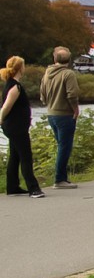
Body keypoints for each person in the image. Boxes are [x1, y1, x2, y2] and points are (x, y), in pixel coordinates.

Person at [1, 56, 44, 198]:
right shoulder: (15, 86)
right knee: (26, 156)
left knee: (15, 156)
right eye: (24, 65)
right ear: (20, 68)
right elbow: (7, 106)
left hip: (15, 126)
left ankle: (12, 187)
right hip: (16, 127)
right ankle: (33, 188)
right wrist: (0, 119)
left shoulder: (11, 83)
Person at [39, 46, 80, 189]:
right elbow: (72, 94)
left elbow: (42, 95)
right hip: (65, 114)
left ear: (55, 59)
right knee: (65, 146)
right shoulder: (68, 74)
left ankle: (61, 177)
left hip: (51, 113)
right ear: (69, 60)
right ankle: (60, 179)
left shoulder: (47, 73)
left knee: (60, 145)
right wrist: (75, 109)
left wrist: (49, 102)